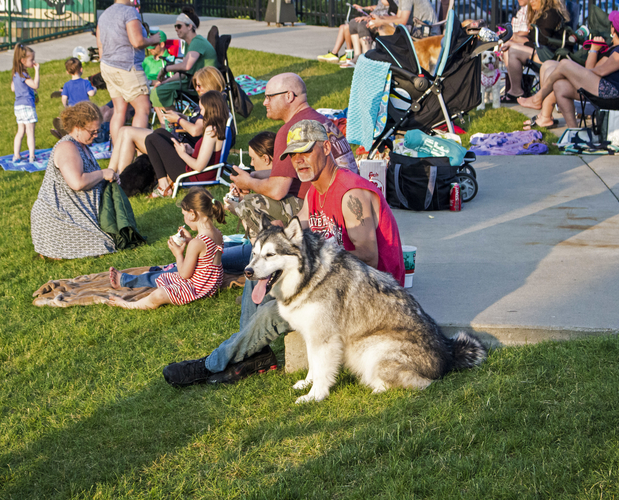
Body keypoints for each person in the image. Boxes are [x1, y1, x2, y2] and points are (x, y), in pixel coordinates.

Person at [162, 119, 406, 387]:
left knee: (272, 313)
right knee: (256, 272)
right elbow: (299, 223)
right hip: (334, 281)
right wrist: (277, 232)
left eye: (306, 152)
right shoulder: (316, 189)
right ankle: (255, 354)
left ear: (326, 148)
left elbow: (369, 257)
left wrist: (313, 270)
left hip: (369, 292)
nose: (299, 161)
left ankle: (210, 365)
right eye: (293, 156)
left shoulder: (350, 194)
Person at [226, 73, 358, 241]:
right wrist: (253, 176)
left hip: (322, 210)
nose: (264, 102)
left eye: (269, 97)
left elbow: (277, 190)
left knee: (250, 203)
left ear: (289, 96)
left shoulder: (291, 130)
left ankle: (266, 255)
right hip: (343, 202)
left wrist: (248, 184)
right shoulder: (322, 121)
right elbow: (290, 174)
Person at [518, 0, 619, 128]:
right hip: (617, 92)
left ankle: (538, 98)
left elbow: (601, 71)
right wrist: (577, 74)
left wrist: (576, 73)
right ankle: (574, 132)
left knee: (564, 64)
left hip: (612, 93)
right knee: (560, 86)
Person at [30, 101, 121, 259]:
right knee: (105, 245)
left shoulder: (82, 146)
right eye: (92, 132)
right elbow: (77, 182)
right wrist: (102, 174)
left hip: (75, 215)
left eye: (98, 131)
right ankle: (53, 250)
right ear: (78, 127)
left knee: (113, 241)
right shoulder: (67, 147)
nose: (97, 135)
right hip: (58, 218)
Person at [108, 187, 224, 309]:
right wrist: (189, 240)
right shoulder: (217, 234)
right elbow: (205, 252)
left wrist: (178, 254)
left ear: (192, 214)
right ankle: (144, 278)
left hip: (197, 289)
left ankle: (127, 304)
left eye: (184, 215)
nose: (184, 218)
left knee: (158, 295)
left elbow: (184, 274)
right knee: (166, 276)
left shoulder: (197, 243)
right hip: (211, 284)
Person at [107, 65, 225, 176]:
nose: (197, 89)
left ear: (209, 84)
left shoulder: (209, 106)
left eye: (200, 85)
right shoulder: (217, 104)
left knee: (127, 132)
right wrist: (185, 118)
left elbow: (196, 131)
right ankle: (111, 172)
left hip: (178, 147)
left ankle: (120, 178)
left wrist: (178, 119)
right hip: (177, 142)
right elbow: (200, 126)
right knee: (123, 131)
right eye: (196, 85)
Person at [96, 0, 161, 145]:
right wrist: (153, 40)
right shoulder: (129, 12)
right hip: (127, 67)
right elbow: (137, 41)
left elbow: (100, 45)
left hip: (108, 66)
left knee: (119, 111)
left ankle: (118, 150)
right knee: (143, 109)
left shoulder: (104, 14)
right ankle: (136, 149)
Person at [149, 90, 229, 197]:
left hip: (193, 176)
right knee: (160, 132)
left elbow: (199, 167)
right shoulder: (218, 125)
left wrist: (182, 154)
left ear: (210, 109)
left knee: (151, 139)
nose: (201, 113)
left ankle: (163, 185)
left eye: (202, 109)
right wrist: (191, 150)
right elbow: (209, 153)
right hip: (195, 171)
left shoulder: (211, 131)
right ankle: (164, 183)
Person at [151, 7, 217, 126]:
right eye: (175, 26)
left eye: (179, 26)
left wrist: (165, 69)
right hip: (193, 81)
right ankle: (172, 125)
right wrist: (166, 81)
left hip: (205, 84)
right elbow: (185, 71)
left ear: (190, 26)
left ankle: (169, 126)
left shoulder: (197, 42)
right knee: (160, 88)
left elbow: (186, 66)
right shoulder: (189, 44)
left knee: (159, 91)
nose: (176, 29)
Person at [500, 0, 570, 102]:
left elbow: (542, 41)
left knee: (513, 50)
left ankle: (517, 92)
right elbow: (533, 39)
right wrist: (514, 39)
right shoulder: (541, 14)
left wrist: (516, 44)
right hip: (541, 50)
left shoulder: (551, 14)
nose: (531, 1)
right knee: (509, 48)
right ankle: (514, 89)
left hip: (551, 54)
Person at [11, 43, 40, 162]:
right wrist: (37, 71)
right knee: (30, 132)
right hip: (27, 105)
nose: (33, 62)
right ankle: (32, 155)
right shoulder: (24, 75)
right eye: (31, 59)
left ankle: (16, 155)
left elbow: (13, 88)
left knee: (20, 131)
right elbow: (35, 85)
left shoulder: (15, 74)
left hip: (18, 106)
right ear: (23, 61)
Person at [366, 0, 438, 42]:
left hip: (428, 33)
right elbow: (398, 16)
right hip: (421, 29)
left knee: (385, 27)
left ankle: (389, 58)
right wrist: (380, 18)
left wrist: (381, 22)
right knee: (386, 25)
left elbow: (403, 21)